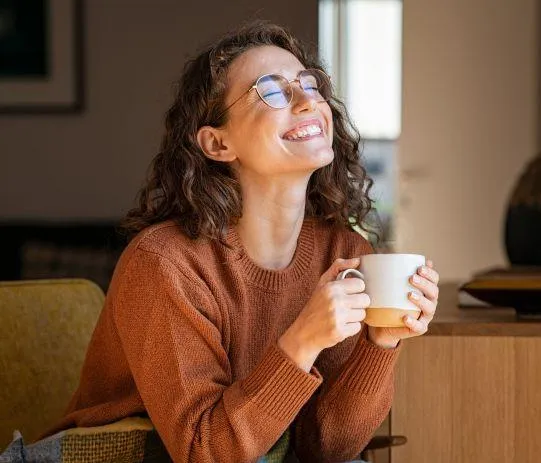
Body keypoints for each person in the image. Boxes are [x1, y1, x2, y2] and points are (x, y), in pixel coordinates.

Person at [47, 22, 440, 462]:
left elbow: (325, 451)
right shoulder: (164, 264)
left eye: (310, 84)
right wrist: (301, 342)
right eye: (271, 91)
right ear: (217, 143)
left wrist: (380, 343)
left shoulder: (344, 254)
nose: (309, 99)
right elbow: (203, 452)